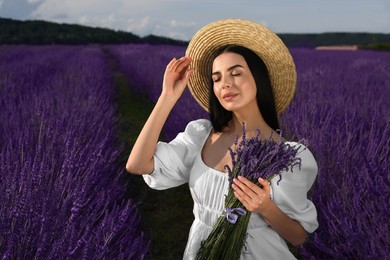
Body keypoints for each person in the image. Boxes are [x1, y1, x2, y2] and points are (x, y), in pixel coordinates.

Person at [126, 19, 318, 260]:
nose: (225, 83)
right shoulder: (201, 136)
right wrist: (167, 97)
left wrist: (265, 207)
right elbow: (137, 164)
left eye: (236, 73)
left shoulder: (288, 156)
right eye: (216, 78)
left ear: (259, 78)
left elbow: (298, 236)